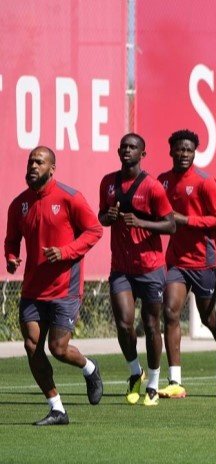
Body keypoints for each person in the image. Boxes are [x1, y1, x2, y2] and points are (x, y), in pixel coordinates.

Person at [4, 146, 104, 425]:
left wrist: (66, 251)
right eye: (30, 161)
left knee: (58, 348)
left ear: (52, 168)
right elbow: (11, 240)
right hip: (33, 290)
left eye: (39, 162)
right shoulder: (19, 204)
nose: (33, 166)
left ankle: (90, 367)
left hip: (65, 288)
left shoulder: (70, 198)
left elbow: (94, 230)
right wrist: (11, 258)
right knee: (32, 346)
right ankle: (57, 408)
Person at [157, 130, 216, 399]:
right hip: (176, 261)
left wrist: (186, 220)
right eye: (179, 150)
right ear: (171, 151)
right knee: (170, 312)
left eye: (189, 151)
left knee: (208, 318)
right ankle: (175, 381)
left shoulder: (205, 181)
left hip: (205, 261)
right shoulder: (162, 182)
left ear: (194, 153)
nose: (183, 154)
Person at [99, 133, 176, 406]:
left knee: (152, 324)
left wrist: (141, 223)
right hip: (121, 267)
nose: (127, 151)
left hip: (150, 268)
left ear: (143, 154)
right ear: (118, 151)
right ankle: (135, 371)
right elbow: (101, 216)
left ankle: (154, 383)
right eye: (124, 147)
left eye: (133, 147)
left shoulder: (153, 187)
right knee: (123, 322)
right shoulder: (108, 182)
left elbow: (170, 225)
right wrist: (106, 218)